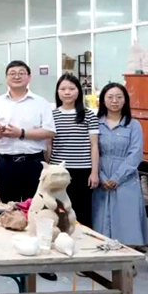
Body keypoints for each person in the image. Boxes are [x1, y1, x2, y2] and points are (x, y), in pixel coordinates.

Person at [0, 62, 56, 201]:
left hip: (33, 162)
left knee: (34, 206)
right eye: (12, 73)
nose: (16, 76)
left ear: (29, 78)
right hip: (6, 163)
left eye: (21, 73)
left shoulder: (41, 102)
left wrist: (21, 133)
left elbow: (50, 131)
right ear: (6, 78)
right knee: (9, 206)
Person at [92, 83, 148, 246]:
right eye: (110, 97)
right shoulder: (95, 123)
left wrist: (117, 178)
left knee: (126, 222)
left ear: (125, 100)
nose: (114, 101)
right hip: (101, 178)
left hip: (126, 179)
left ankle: (126, 258)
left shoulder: (134, 125)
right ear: (103, 100)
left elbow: (135, 154)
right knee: (99, 222)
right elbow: (92, 151)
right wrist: (101, 177)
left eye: (119, 97)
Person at [46, 74, 99, 229]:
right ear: (57, 92)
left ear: (78, 92)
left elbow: (94, 145)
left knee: (82, 211)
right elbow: (48, 145)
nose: (67, 92)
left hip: (82, 171)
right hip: (58, 171)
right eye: (62, 89)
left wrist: (94, 172)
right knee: (58, 210)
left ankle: (84, 239)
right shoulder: (51, 116)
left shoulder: (89, 115)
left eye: (71, 88)